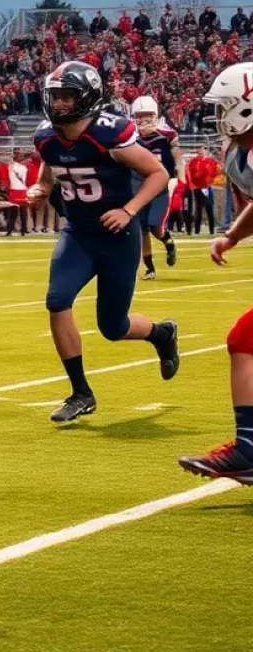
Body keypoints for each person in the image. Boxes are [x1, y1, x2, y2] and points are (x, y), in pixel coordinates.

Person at [27, 61, 179, 423]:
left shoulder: (108, 133)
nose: (60, 104)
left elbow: (158, 174)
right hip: (78, 233)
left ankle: (162, 333)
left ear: (88, 98)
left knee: (113, 327)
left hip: (116, 237)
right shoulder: (46, 136)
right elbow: (48, 175)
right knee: (57, 300)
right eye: (56, 97)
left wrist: (129, 210)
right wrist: (40, 189)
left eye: (67, 97)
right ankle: (81, 392)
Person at [178, 64, 253, 483]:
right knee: (245, 338)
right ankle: (248, 447)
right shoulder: (241, 153)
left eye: (226, 105)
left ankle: (248, 448)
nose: (219, 113)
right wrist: (232, 236)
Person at [130, 96, 183, 280]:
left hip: (160, 188)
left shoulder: (166, 135)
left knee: (155, 227)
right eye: (140, 116)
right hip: (139, 187)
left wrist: (180, 179)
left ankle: (169, 244)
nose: (144, 121)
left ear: (155, 116)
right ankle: (150, 268)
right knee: (141, 230)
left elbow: (178, 159)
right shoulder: (129, 137)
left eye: (148, 116)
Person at [186, 145, 220, 235]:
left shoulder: (210, 161)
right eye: (200, 150)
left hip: (207, 186)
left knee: (209, 209)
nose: (201, 151)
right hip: (198, 187)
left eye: (203, 149)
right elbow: (191, 174)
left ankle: (211, 230)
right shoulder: (194, 162)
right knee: (199, 209)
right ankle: (197, 230)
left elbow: (217, 172)